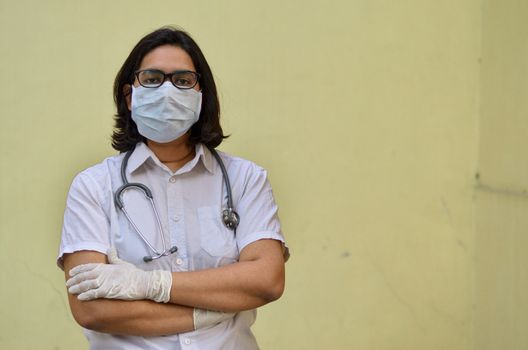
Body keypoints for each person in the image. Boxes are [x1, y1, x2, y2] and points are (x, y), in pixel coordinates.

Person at [57, 26, 289, 350]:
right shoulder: (93, 187)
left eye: (182, 81)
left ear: (200, 95)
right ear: (129, 95)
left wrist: (150, 284)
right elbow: (91, 308)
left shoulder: (245, 179)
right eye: (152, 79)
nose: (167, 91)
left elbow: (267, 280)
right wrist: (209, 312)